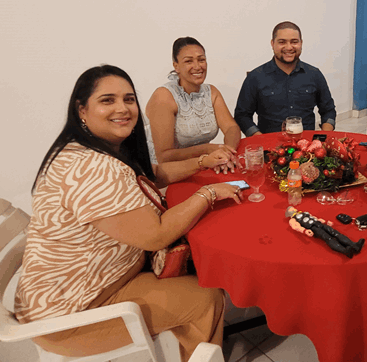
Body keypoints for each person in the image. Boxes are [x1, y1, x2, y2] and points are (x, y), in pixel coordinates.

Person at [14, 65, 243, 362]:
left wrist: (202, 161)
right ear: (82, 110)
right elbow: (156, 235)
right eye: (107, 100)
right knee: (207, 298)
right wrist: (208, 193)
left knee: (197, 256)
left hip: (92, 283)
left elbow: (152, 174)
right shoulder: (92, 168)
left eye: (129, 99)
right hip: (73, 313)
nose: (122, 108)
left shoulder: (94, 148)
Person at [146, 37, 241, 174]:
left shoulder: (211, 91)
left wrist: (227, 152)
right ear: (176, 66)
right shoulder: (164, 96)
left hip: (203, 164)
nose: (197, 66)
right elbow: (164, 157)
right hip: (165, 173)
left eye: (201, 60)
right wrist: (207, 149)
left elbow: (232, 127)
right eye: (188, 61)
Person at [234, 21, 336, 136]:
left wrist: (323, 136)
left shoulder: (314, 74)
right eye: (282, 42)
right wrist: (259, 139)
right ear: (272, 44)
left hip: (306, 143)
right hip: (269, 143)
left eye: (294, 42)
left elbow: (328, 110)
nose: (289, 47)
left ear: (301, 43)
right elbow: (242, 115)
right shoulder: (255, 77)